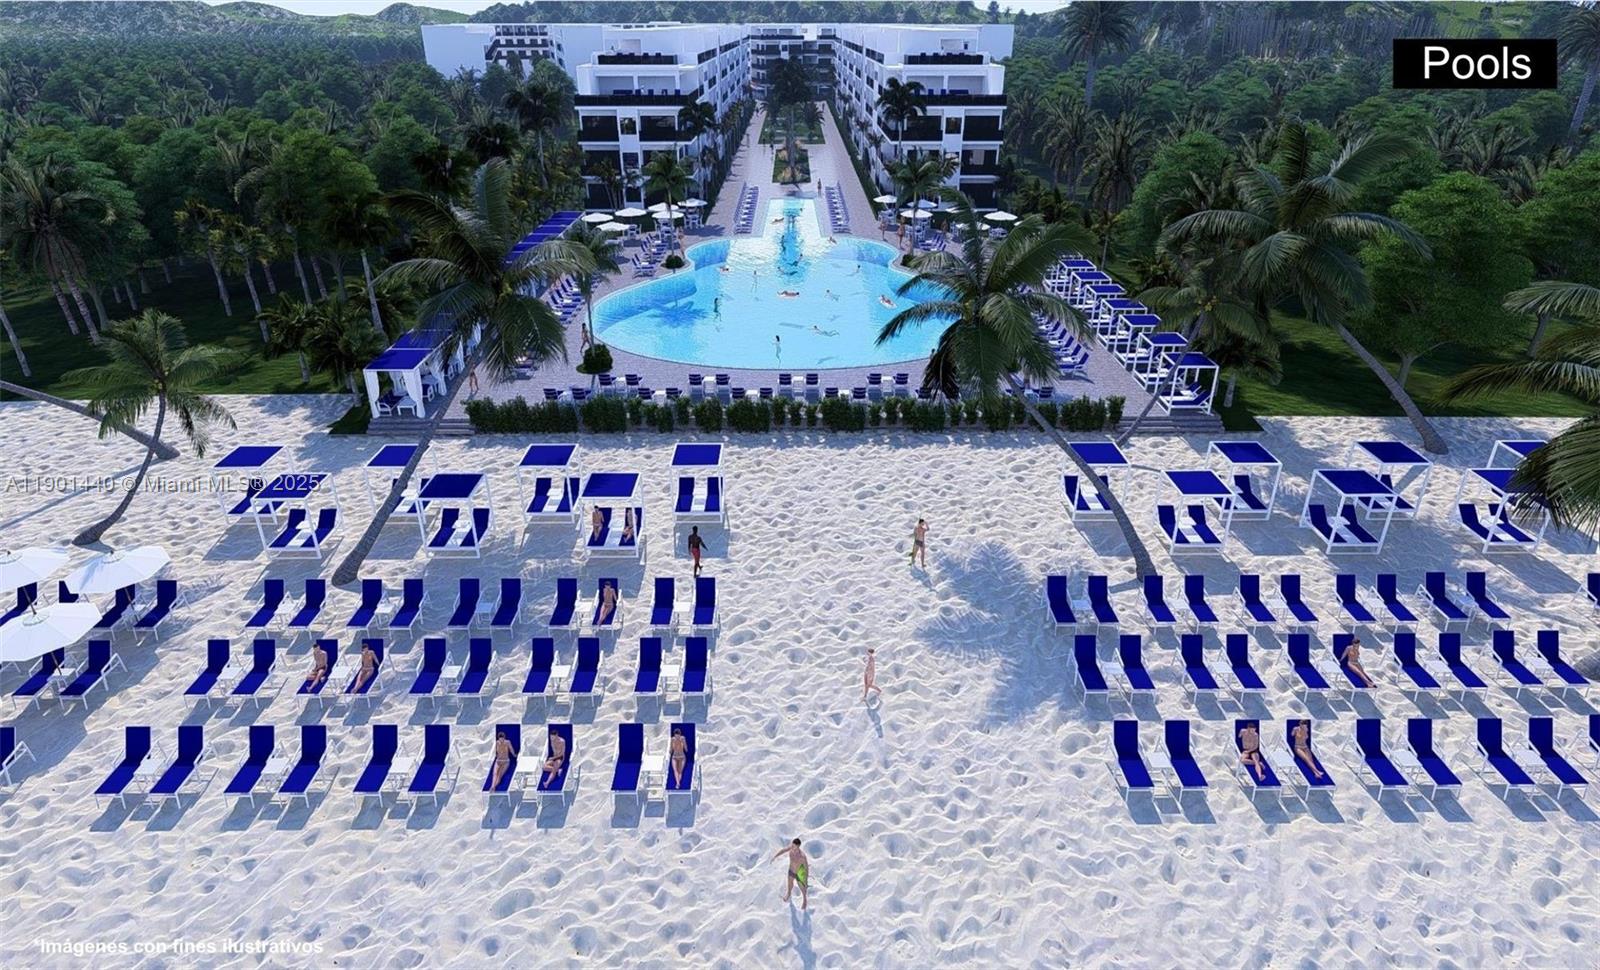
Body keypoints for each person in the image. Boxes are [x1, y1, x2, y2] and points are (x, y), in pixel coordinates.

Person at [772, 838, 809, 910]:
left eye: (794, 846)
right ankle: (788, 894)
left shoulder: (802, 856)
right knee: (790, 884)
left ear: (798, 846)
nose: (792, 847)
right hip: (791, 870)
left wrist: (806, 879)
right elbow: (783, 850)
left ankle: (804, 899)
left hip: (799, 873)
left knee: (802, 888)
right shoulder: (791, 848)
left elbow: (806, 867)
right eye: (792, 845)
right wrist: (775, 856)